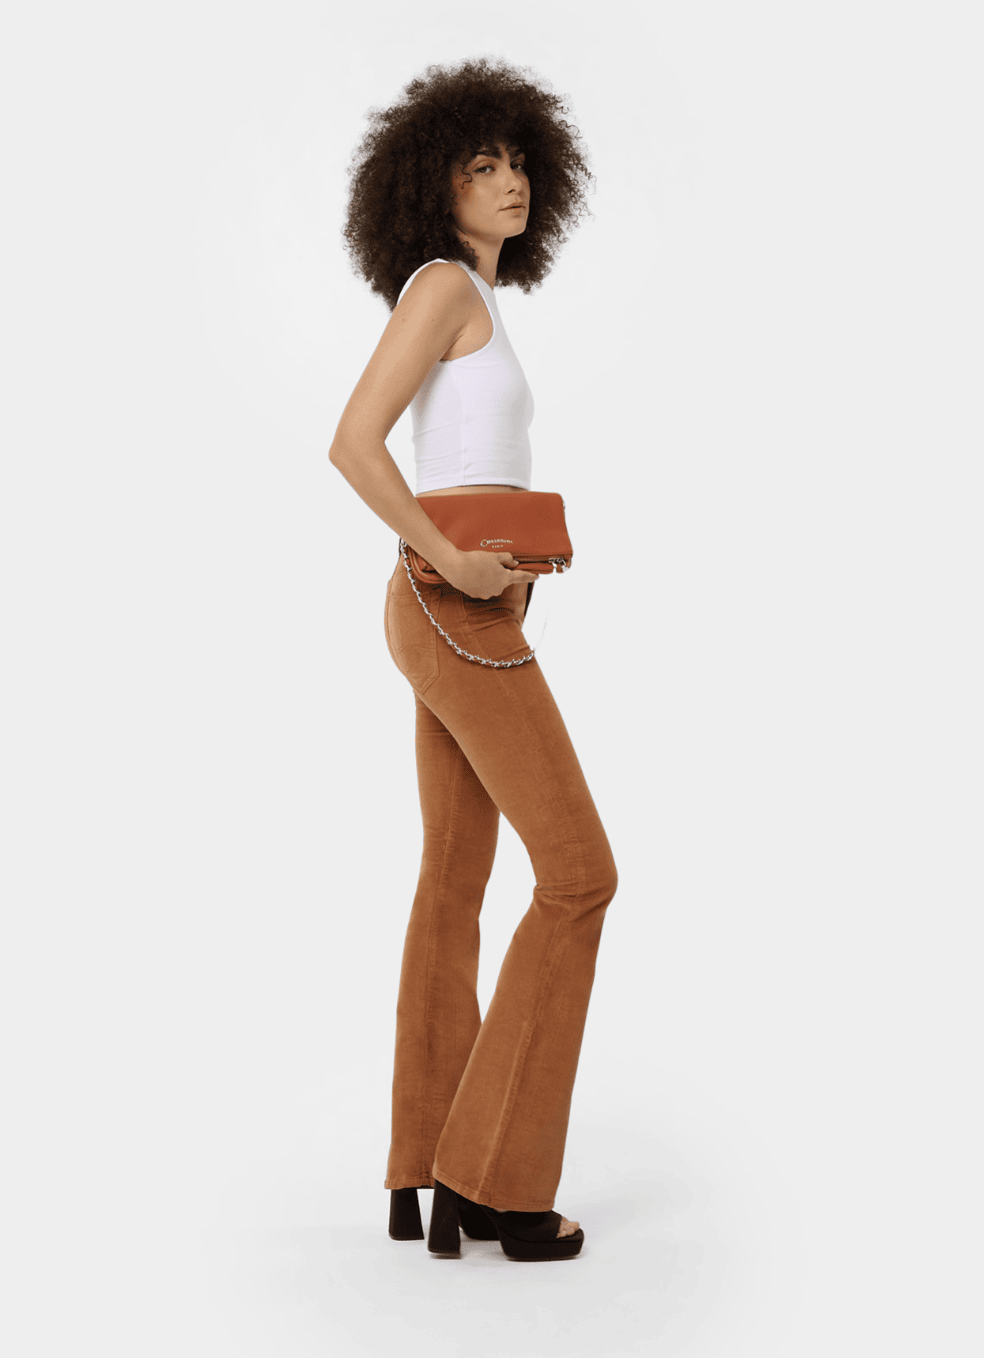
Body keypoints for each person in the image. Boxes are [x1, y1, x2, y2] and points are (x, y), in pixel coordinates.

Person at [329, 57, 618, 1262]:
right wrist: (454, 553)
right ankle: (495, 1180)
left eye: (518, 162)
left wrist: (490, 560)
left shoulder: (477, 301)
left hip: (466, 603)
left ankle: (421, 1167)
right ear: (429, 183)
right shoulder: (444, 286)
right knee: (580, 874)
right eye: (481, 163)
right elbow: (353, 441)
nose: (509, 180)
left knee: (455, 876)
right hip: (453, 603)